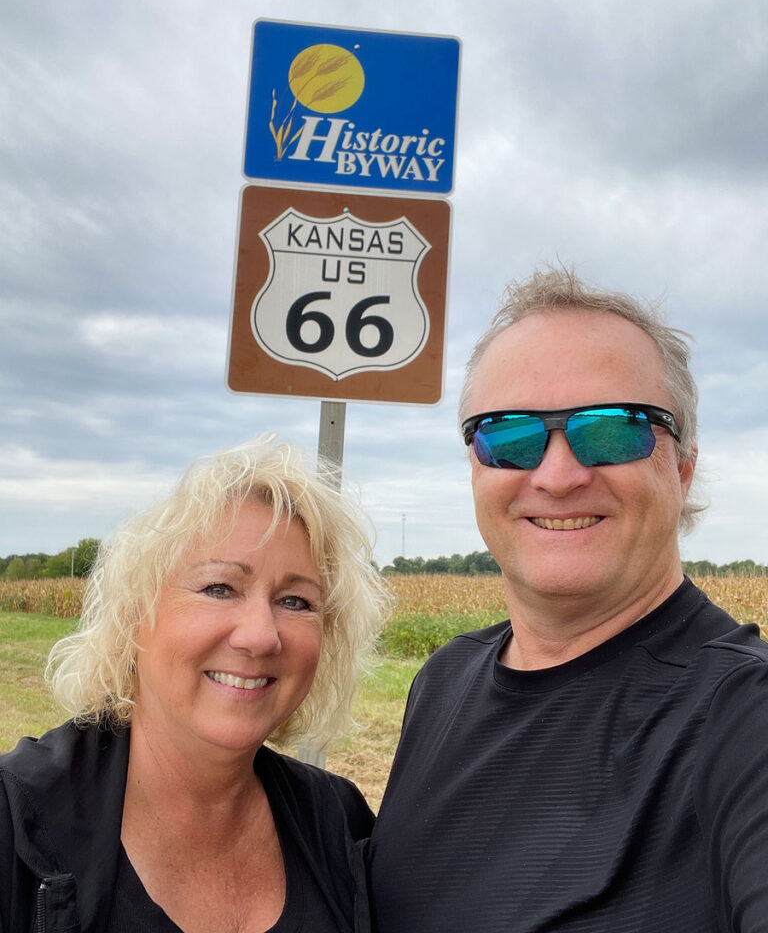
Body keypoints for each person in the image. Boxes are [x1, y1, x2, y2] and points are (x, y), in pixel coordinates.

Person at [368, 266, 768, 933]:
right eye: (510, 437)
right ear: (475, 466)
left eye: (612, 430)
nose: (557, 475)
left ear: (683, 467)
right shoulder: (444, 680)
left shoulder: (740, 717)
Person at [0, 437, 388, 933]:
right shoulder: (18, 824)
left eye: (296, 601)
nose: (261, 636)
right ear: (134, 616)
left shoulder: (341, 825)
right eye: (219, 588)